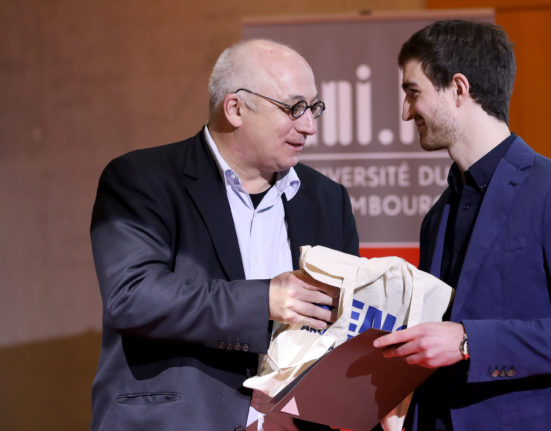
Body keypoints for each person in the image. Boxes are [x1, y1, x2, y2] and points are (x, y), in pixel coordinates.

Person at [89, 39, 359, 431]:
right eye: (294, 108)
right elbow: (133, 296)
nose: (309, 126)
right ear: (235, 109)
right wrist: (264, 301)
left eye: (314, 108)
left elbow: (340, 322)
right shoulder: (143, 179)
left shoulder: (328, 199)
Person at [371, 20, 551, 430]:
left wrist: (468, 341)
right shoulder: (438, 215)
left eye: (413, 92)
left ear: (459, 88)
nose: (406, 112)